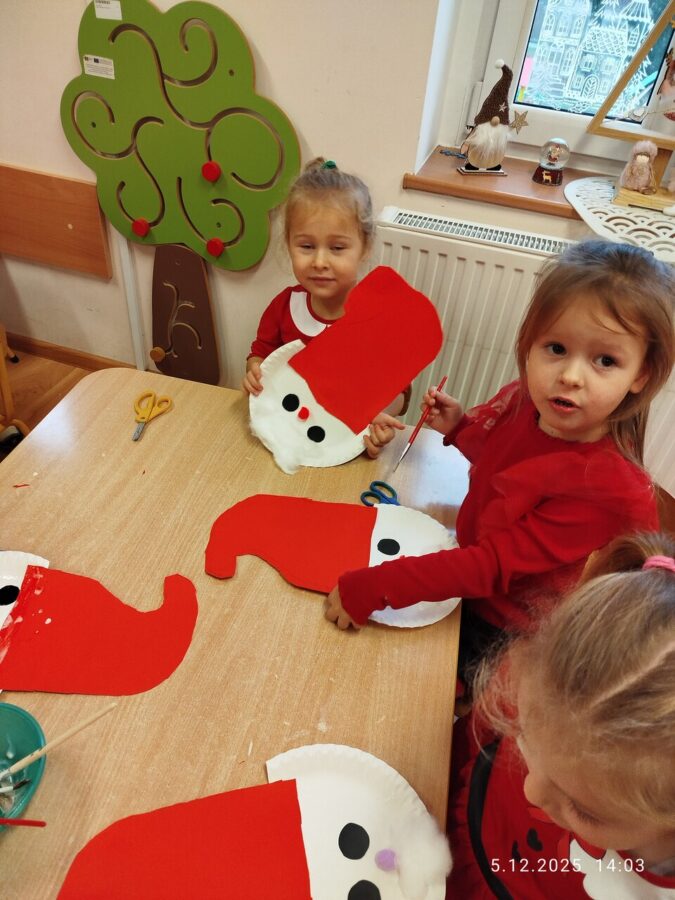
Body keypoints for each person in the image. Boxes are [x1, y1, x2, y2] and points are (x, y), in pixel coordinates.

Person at [325, 239, 674, 680]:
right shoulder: (530, 403)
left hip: (502, 628)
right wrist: (460, 428)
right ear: (530, 343)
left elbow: (489, 566)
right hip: (467, 568)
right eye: (556, 348)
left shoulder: (603, 486)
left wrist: (375, 586)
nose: (570, 376)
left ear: (641, 374)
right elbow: (506, 468)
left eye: (605, 360)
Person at [446, 530, 675, 898]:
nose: (531, 791)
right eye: (522, 738)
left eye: (583, 810)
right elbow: (458, 754)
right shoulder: (532, 685)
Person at [242, 157, 407, 458]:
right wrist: (255, 370)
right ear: (288, 244)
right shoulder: (283, 307)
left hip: (346, 449)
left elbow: (400, 393)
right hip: (287, 437)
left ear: (365, 247)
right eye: (306, 246)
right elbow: (261, 354)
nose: (319, 262)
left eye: (337, 248)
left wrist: (378, 419)